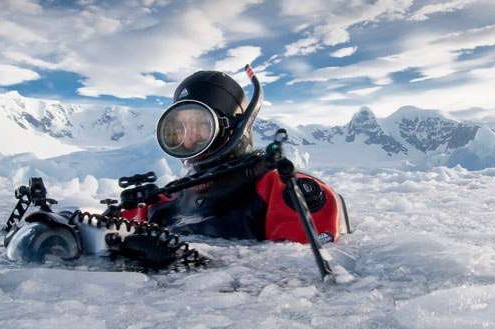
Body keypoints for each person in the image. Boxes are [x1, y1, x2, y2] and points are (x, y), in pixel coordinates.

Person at [119, 68, 350, 244]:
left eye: (201, 126)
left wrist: (180, 262)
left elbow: (301, 283)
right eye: (177, 130)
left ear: (232, 127)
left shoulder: (282, 190)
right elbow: (112, 239)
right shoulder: (167, 199)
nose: (188, 139)